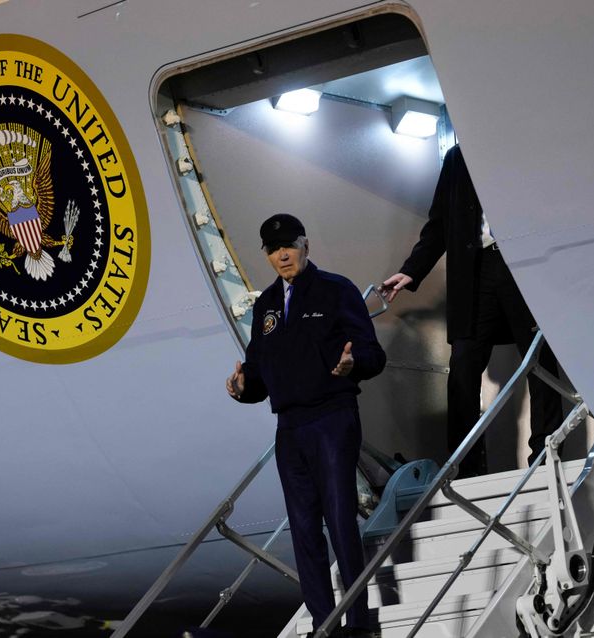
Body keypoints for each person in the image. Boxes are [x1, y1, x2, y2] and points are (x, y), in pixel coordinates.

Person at [226, 214, 385, 637]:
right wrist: (243, 387)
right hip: (290, 428)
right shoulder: (266, 306)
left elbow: (373, 354)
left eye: (289, 245)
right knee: (302, 529)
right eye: (273, 248)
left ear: (305, 245)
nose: (282, 254)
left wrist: (353, 365)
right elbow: (258, 373)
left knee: (339, 518)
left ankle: (356, 621)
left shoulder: (336, 290)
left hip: (332, 418)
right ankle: (323, 623)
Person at [380, 145, 563, 477]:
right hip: (473, 272)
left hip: (522, 266)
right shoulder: (456, 157)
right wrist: (412, 270)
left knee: (540, 360)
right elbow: (439, 223)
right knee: (463, 366)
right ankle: (466, 465)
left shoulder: (524, 147)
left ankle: (546, 455)